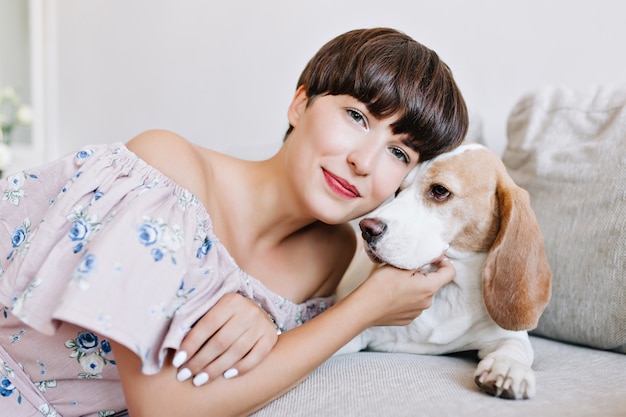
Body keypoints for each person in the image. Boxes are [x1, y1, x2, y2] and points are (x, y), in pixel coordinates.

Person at [0, 27, 468, 416]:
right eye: (356, 116)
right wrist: (367, 308)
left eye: (398, 152)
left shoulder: (330, 251)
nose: (364, 161)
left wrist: (265, 320)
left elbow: (232, 381)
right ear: (300, 104)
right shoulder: (167, 168)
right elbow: (163, 407)